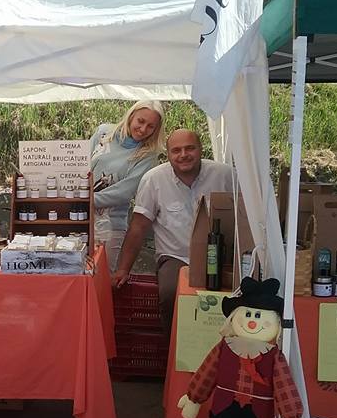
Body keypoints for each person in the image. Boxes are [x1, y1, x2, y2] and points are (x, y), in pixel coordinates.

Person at [111, 129, 233, 336]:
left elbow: (249, 215)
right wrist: (123, 269)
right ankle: (175, 349)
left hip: (221, 255)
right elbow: (139, 227)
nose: (183, 155)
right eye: (176, 150)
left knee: (235, 295)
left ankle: (223, 349)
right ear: (167, 154)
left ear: (201, 149)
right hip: (175, 256)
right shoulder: (154, 179)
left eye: (189, 148)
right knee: (170, 293)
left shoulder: (225, 175)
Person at [89, 100, 165, 270]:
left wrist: (84, 200)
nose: (143, 129)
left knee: (102, 277)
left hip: (110, 226)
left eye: (151, 126)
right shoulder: (103, 133)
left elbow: (124, 192)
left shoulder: (148, 156)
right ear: (131, 116)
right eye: (141, 121)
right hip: (78, 218)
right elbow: (82, 163)